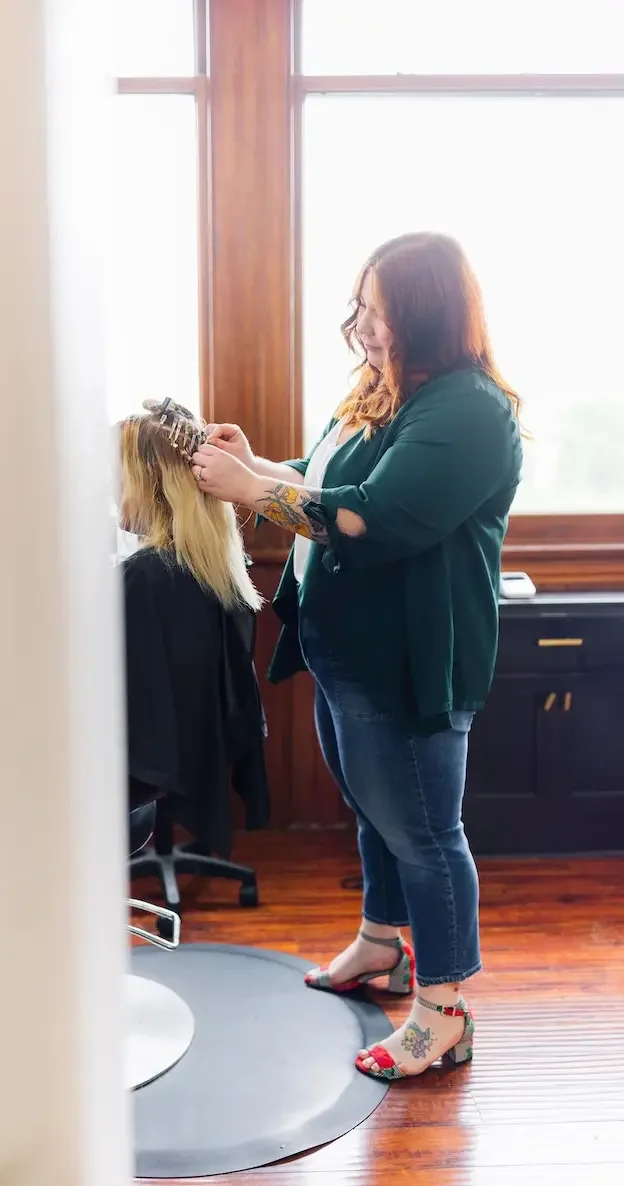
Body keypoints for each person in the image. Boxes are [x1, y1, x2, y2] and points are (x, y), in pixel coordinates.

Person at [190, 232, 523, 1080]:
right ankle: (381, 945)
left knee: (426, 833)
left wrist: (257, 492)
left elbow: (375, 520)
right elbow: (325, 477)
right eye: (361, 308)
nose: (362, 327)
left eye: (377, 312)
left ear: (426, 314)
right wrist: (254, 464)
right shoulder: (383, 390)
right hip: (347, 649)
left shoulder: (468, 410)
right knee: (376, 813)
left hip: (408, 660)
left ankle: (443, 1012)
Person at [118, 400, 269, 870]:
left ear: (149, 481)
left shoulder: (145, 577)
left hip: (131, 771)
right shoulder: (211, 564)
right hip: (172, 762)